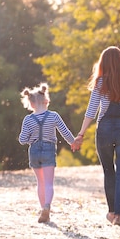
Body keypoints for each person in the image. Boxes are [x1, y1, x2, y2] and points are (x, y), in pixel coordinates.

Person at [72, 46, 120, 227]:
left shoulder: (100, 82)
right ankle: (119, 215)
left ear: (103, 62)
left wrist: (81, 133)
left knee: (108, 171)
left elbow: (91, 110)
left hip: (104, 129)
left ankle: (111, 212)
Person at [19, 83, 76, 223]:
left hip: (34, 151)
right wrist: (73, 142)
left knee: (40, 182)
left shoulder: (28, 119)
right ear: (47, 101)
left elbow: (22, 139)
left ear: (31, 104)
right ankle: (47, 207)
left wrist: (32, 138)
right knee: (49, 183)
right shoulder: (53, 116)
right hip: (49, 149)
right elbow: (65, 132)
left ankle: (42, 209)